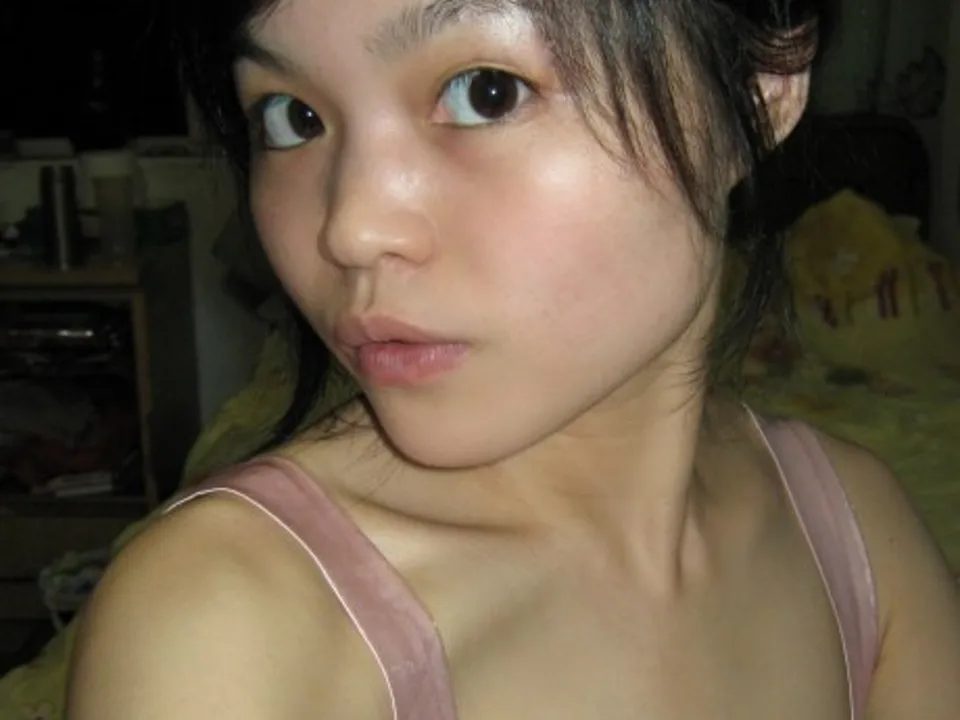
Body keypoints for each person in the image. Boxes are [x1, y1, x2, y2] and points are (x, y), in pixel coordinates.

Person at [67, 1, 960, 718]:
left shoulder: (860, 539)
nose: (351, 228)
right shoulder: (226, 623)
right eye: (292, 117)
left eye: (486, 93)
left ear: (759, 92)